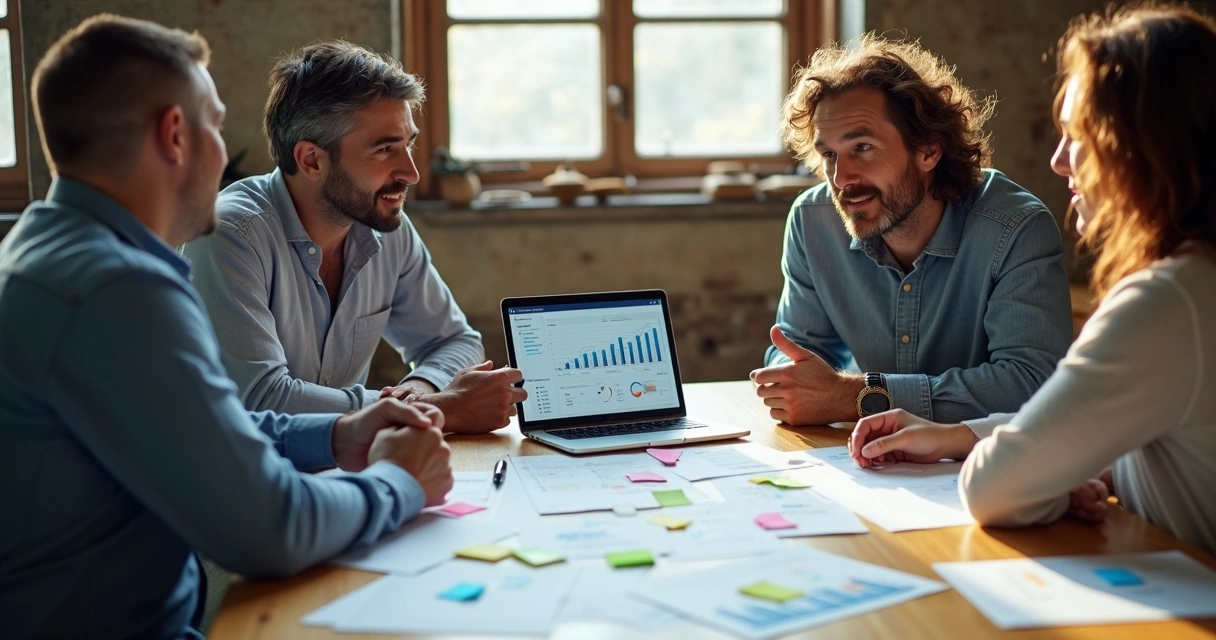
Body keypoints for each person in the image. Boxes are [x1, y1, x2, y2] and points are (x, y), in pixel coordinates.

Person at [0, 16, 455, 639]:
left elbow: (201, 420)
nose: (226, 151)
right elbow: (271, 530)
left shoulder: (55, 248)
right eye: (215, 123)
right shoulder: (117, 289)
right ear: (175, 136)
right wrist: (399, 482)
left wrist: (336, 435)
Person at [848, 4, 1216, 554]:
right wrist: (959, 436)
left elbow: (993, 490)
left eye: (1080, 138)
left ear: (1146, 149)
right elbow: (1144, 437)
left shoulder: (1167, 302)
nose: (1059, 162)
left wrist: (1041, 478)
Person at [181, 41, 525, 432]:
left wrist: (419, 392)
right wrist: (441, 410)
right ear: (312, 159)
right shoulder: (230, 235)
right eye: (384, 150)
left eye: (408, 144)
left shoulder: (382, 224)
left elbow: (454, 341)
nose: (411, 173)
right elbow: (261, 400)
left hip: (345, 464)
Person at [752, 34, 1073, 426]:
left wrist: (856, 396)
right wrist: (795, 380)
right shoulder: (811, 221)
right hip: (861, 460)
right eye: (829, 155)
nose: (841, 178)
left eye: (863, 148)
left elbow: (1034, 384)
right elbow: (795, 353)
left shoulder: (1016, 229)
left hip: (978, 466)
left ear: (928, 150)